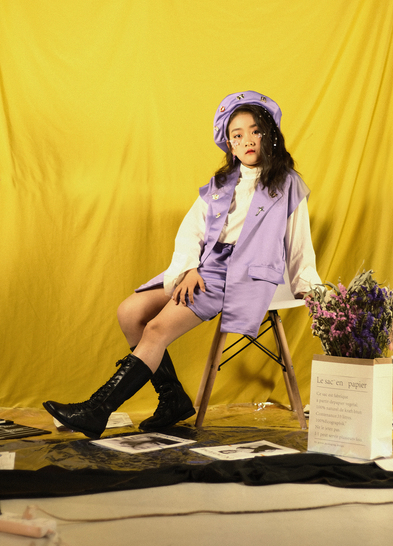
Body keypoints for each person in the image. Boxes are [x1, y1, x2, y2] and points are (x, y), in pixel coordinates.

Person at [43, 90, 321, 440]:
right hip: (206, 266)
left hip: (243, 274)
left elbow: (299, 245)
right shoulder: (221, 184)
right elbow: (192, 230)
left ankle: (97, 410)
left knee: (157, 329)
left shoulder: (287, 184)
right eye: (237, 135)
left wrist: (311, 290)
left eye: (255, 131)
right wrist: (189, 269)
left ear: (270, 135)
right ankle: (172, 399)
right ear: (229, 145)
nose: (248, 140)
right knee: (129, 312)